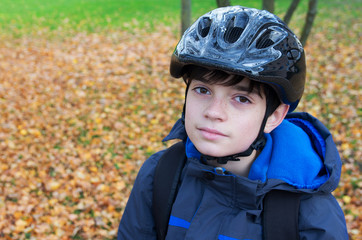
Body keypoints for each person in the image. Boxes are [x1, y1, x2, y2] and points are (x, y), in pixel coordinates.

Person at [117, 6, 348, 239]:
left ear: (274, 117)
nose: (214, 112)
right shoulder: (160, 174)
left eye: (241, 99)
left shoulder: (310, 216)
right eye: (202, 90)